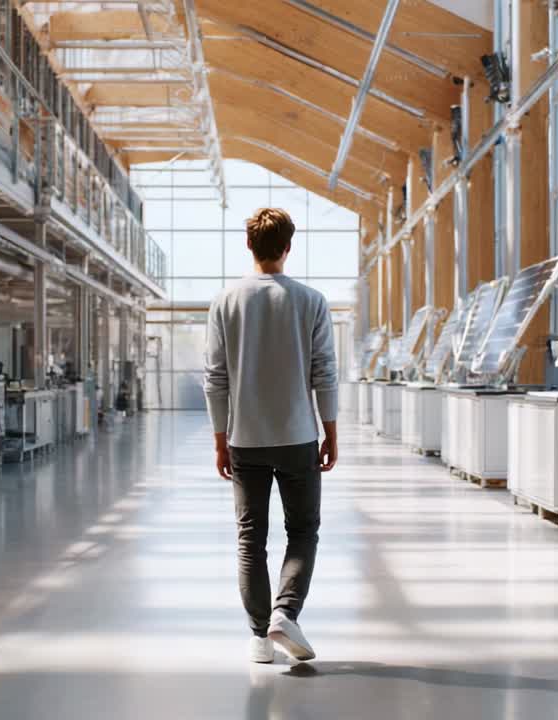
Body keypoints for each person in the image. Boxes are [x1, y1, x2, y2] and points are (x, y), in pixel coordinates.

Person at [203, 207, 339, 665]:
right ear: (287, 247)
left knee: (250, 539)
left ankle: (261, 637)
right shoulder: (311, 301)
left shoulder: (226, 301)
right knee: (303, 531)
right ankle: (286, 612)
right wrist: (330, 431)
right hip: (299, 436)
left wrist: (220, 439)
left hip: (246, 438)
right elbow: (325, 373)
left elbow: (215, 378)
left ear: (249, 245)